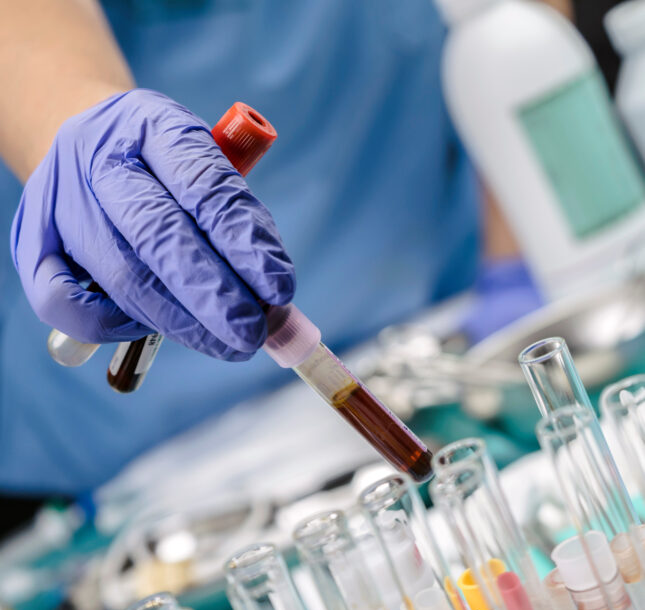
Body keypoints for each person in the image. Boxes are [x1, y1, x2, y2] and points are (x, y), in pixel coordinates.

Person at [0, 0, 550, 502]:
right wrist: (85, 130)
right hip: (145, 460)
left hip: (438, 340)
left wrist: (514, 261)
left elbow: (518, 29)